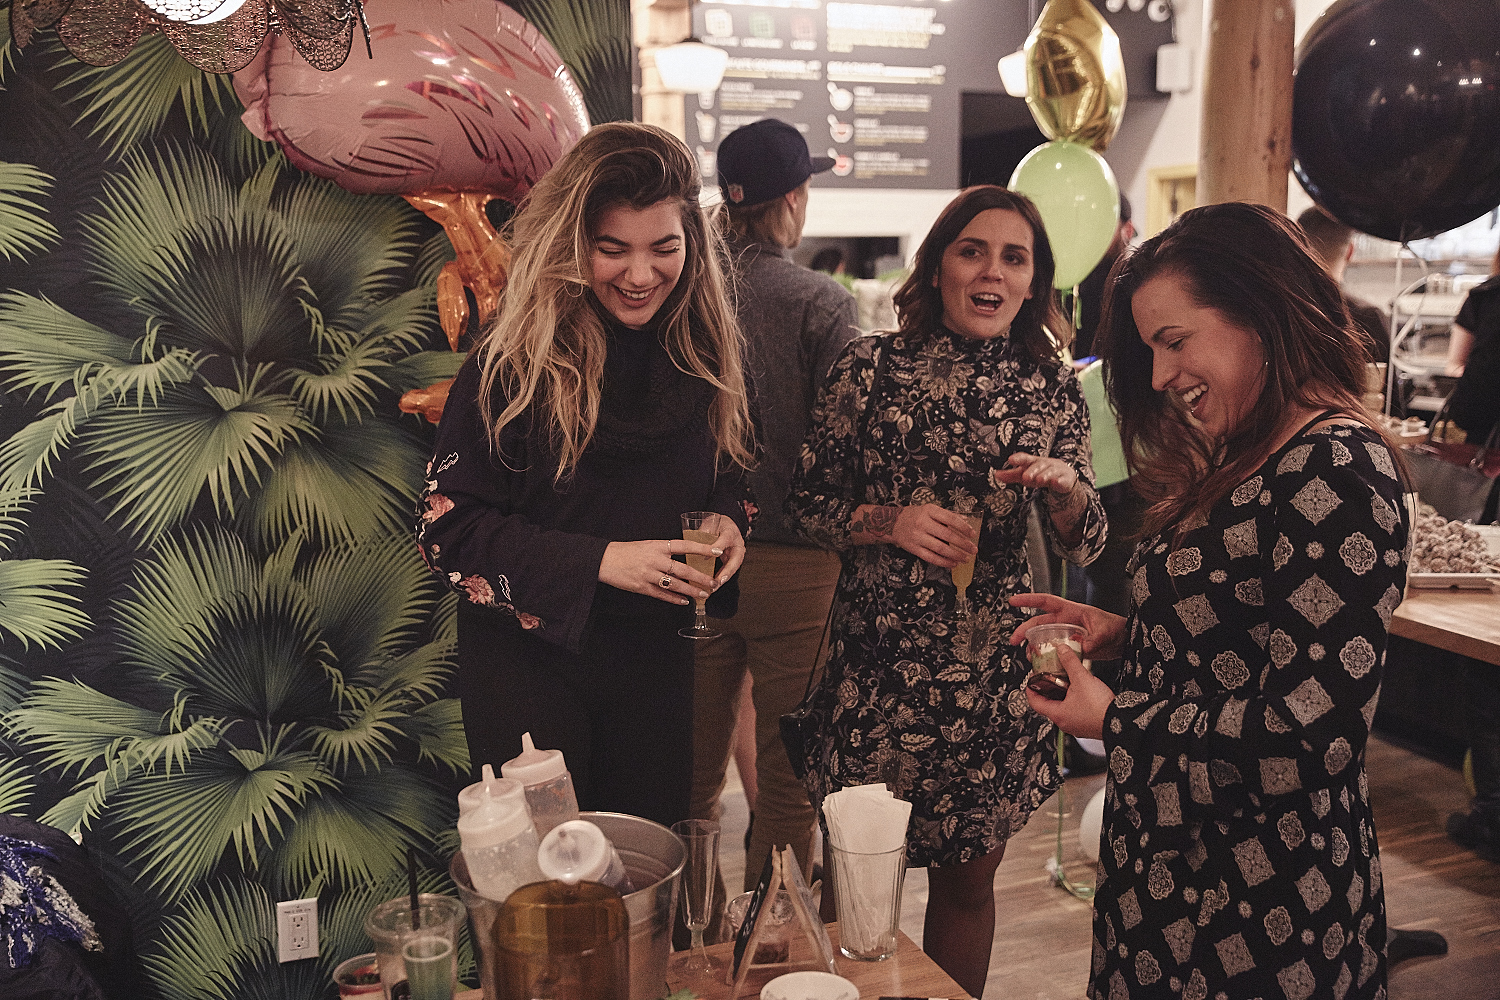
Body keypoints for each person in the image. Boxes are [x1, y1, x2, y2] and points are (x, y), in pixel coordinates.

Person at [1013, 202, 1409, 999]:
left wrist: (1112, 719)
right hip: (1177, 874)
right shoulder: (1252, 449)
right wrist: (1126, 637)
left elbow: (1313, 734)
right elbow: (1244, 632)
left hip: (1259, 902)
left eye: (1175, 340)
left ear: (1258, 314)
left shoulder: (1333, 468)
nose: (1161, 376)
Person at [786, 184, 1107, 997]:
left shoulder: (1053, 386)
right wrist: (890, 521)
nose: (991, 271)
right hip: (877, 671)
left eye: (1014, 256)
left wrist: (1066, 488)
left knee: (968, 888)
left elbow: (1090, 537)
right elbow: (808, 504)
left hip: (991, 675)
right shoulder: (870, 367)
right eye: (972, 250)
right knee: (859, 888)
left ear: (1032, 283)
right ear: (938, 269)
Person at [414, 122, 757, 828]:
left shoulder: (704, 354)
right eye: (612, 250)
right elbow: (448, 533)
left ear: (691, 244)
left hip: (657, 667)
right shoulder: (510, 363)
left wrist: (726, 517)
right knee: (549, 903)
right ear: (573, 247)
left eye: (664, 248)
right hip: (530, 672)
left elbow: (732, 474)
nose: (640, 274)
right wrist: (604, 561)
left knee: (642, 882)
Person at [689, 116, 860, 888]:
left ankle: (688, 950)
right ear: (794, 197)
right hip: (797, 561)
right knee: (789, 785)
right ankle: (772, 955)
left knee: (689, 787)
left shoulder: (680, 288)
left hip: (688, 558)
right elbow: (846, 441)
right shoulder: (820, 301)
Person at [1442, 245, 1500, 858]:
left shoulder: (1488, 298)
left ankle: (1492, 810)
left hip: (1492, 482)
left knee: (1487, 659)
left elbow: (1466, 380)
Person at [1296, 205, 1390, 363]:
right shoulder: (1368, 318)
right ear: (1350, 251)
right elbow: (1386, 387)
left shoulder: (1281, 312)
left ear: (1297, 248)